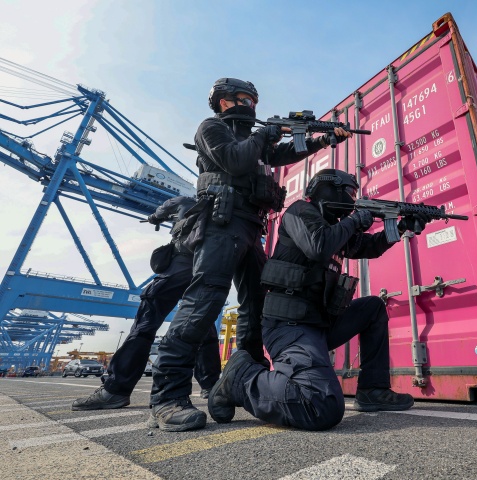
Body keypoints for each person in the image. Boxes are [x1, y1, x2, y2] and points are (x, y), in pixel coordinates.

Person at [149, 78, 351, 431]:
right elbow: (235, 160)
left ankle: (244, 377)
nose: (250, 105)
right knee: (203, 303)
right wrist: (267, 132)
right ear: (223, 102)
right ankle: (167, 397)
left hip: (249, 228)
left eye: (253, 100)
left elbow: (281, 154)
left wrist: (323, 138)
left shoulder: (253, 138)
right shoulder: (211, 128)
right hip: (220, 224)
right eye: (243, 99)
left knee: (258, 305)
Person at [207, 169, 429, 431]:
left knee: (372, 307)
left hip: (318, 324)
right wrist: (356, 220)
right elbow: (317, 246)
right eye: (349, 193)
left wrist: (402, 227)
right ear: (328, 189)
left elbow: (369, 246)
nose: (353, 199)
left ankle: (373, 390)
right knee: (320, 405)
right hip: (288, 326)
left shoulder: (336, 229)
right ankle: (242, 378)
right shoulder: (299, 211)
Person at [71, 196, 221, 411]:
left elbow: (161, 211)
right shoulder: (226, 205)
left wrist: (154, 218)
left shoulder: (184, 201)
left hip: (179, 265)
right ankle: (210, 385)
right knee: (202, 325)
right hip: (208, 268)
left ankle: (116, 390)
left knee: (145, 324)